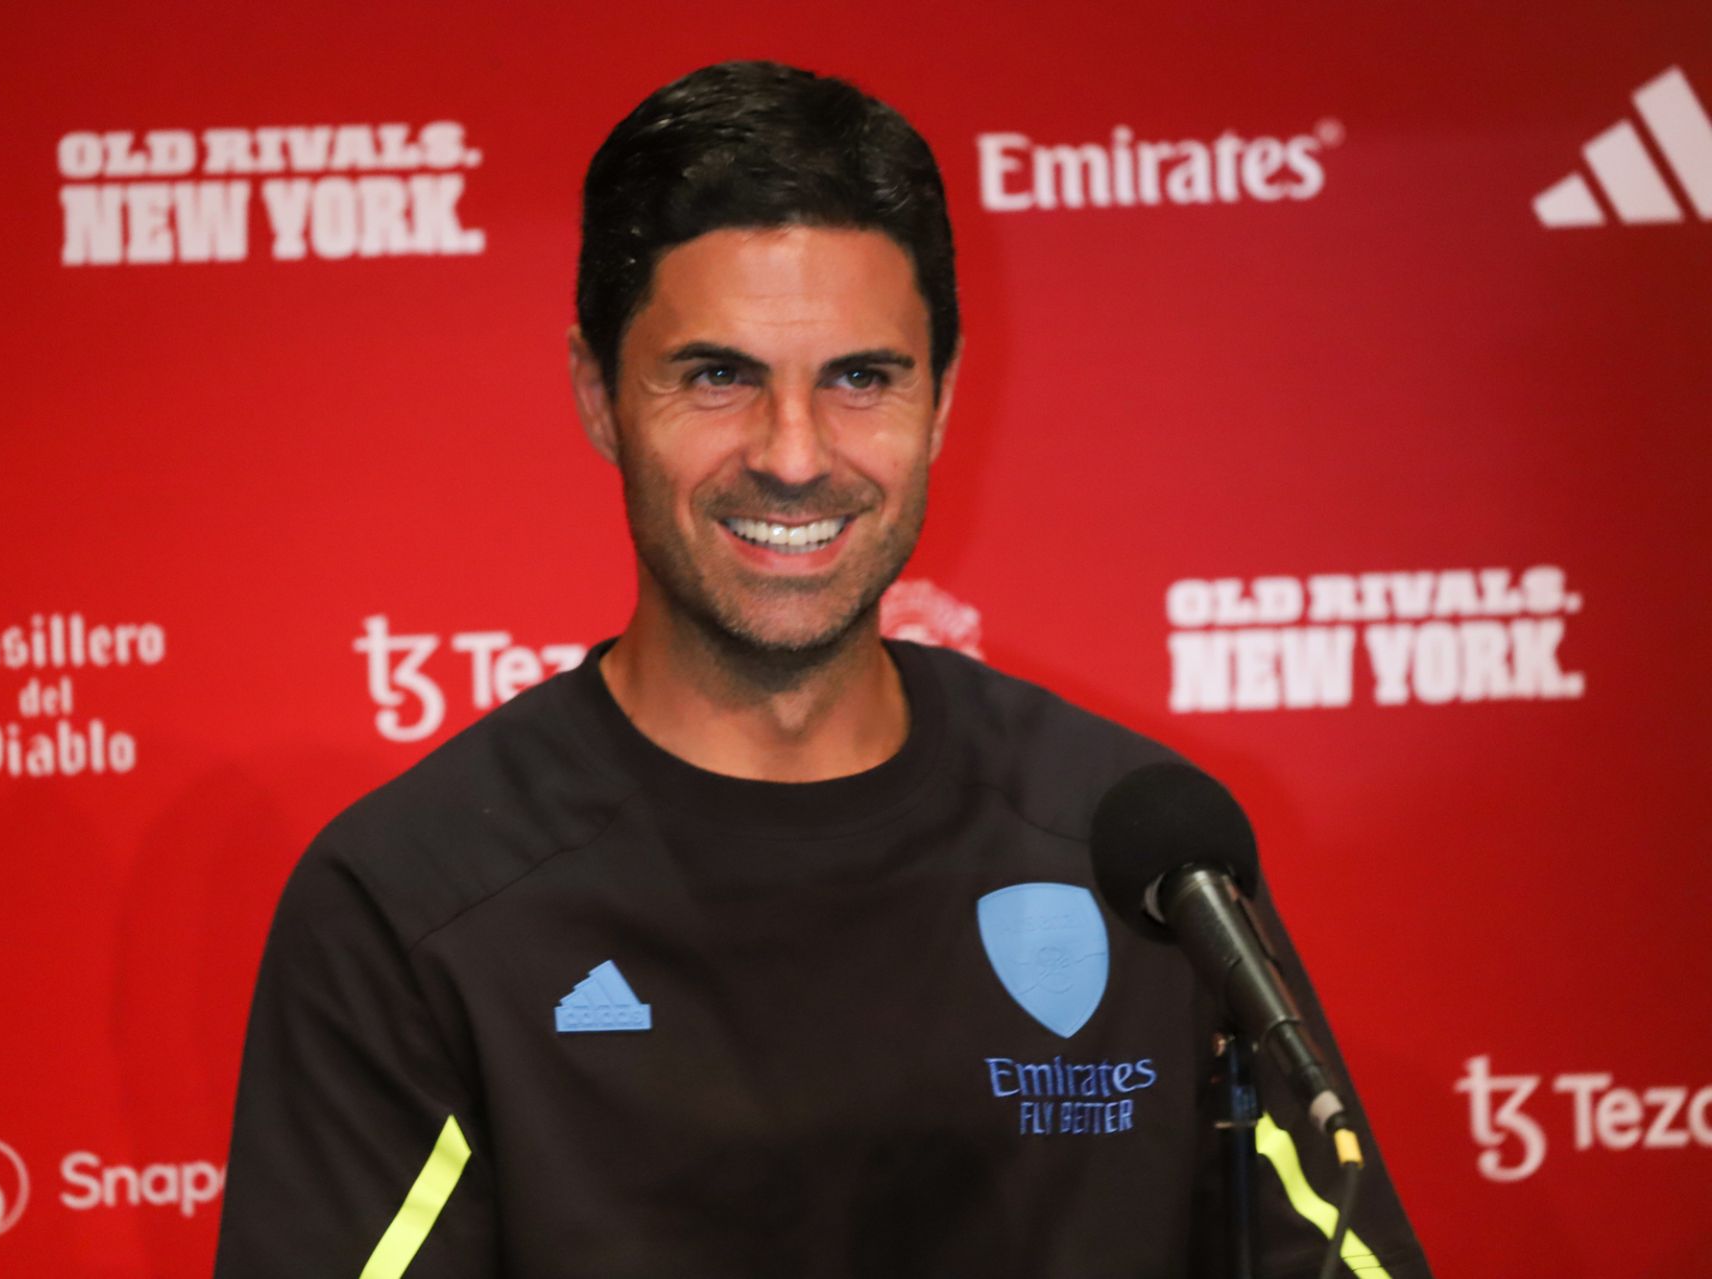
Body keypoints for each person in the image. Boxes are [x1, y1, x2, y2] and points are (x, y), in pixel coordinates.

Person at [215, 60, 1430, 1278]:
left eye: (861, 378)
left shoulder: (1143, 864)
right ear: (598, 394)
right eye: (718, 376)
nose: (793, 456)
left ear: (941, 400)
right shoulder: (411, 907)